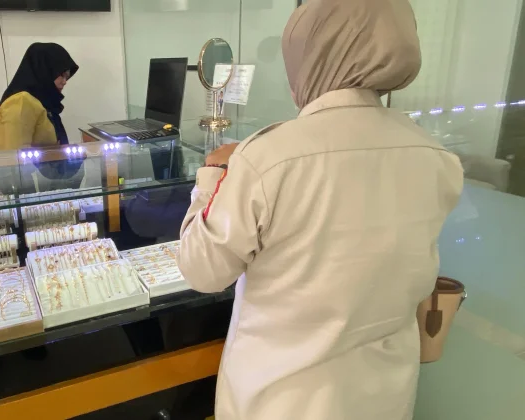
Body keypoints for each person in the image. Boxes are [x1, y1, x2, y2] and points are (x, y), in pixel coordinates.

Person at [176, 0, 464, 419]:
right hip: (385, 395)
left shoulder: (267, 158)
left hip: (282, 398)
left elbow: (203, 271)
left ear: (313, 56)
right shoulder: (437, 157)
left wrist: (212, 177)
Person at [0, 42, 78, 150]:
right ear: (44, 69)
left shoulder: (44, 102)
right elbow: (15, 155)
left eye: (67, 77)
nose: (64, 82)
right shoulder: (21, 101)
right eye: (61, 75)